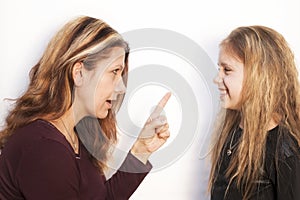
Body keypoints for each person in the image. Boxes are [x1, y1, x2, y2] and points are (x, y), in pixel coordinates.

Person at [0, 16, 171, 200]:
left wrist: (141, 150)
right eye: (114, 72)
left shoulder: (73, 137)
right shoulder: (46, 150)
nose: (121, 87)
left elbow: (102, 197)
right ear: (79, 73)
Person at [209, 25, 300, 199]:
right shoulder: (232, 134)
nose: (217, 79)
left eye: (227, 70)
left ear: (258, 76)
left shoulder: (285, 152)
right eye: (218, 69)